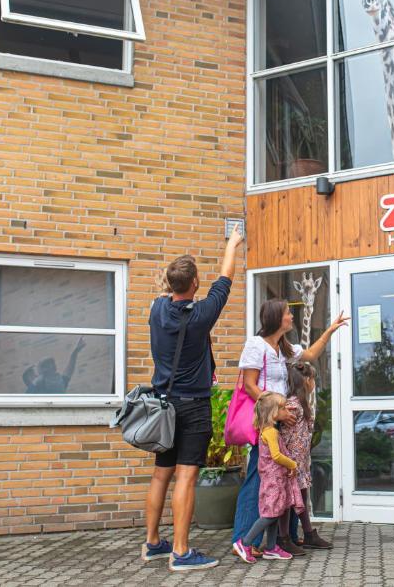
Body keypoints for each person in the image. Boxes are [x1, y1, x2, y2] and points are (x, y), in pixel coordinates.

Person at [141, 225, 243, 572]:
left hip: (162, 406)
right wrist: (232, 242)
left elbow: (171, 290)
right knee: (186, 477)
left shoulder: (156, 309)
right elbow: (226, 277)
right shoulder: (201, 316)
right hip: (193, 406)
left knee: (161, 475)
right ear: (195, 284)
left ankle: (153, 543)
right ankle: (181, 552)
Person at [231, 298, 349, 553]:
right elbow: (250, 385)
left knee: (286, 477)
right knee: (257, 480)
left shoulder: (284, 347)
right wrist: (276, 412)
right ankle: (242, 539)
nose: (291, 316)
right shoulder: (256, 345)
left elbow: (310, 355)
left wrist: (330, 330)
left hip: (283, 421)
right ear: (276, 318)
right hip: (265, 424)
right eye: (287, 313)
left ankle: (286, 538)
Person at [232, 392, 304, 563]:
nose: (287, 410)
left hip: (276, 478)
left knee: (276, 512)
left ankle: (271, 548)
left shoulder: (269, 430)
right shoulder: (271, 432)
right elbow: (276, 456)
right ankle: (245, 542)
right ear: (273, 412)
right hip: (273, 480)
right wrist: (293, 464)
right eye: (283, 408)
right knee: (270, 515)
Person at [277, 362, 331, 552]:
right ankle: (283, 538)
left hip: (300, 462)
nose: (314, 382)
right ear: (306, 381)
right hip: (290, 463)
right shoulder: (292, 405)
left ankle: (308, 534)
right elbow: (279, 426)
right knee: (287, 500)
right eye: (313, 378)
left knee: (301, 495)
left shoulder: (302, 403)